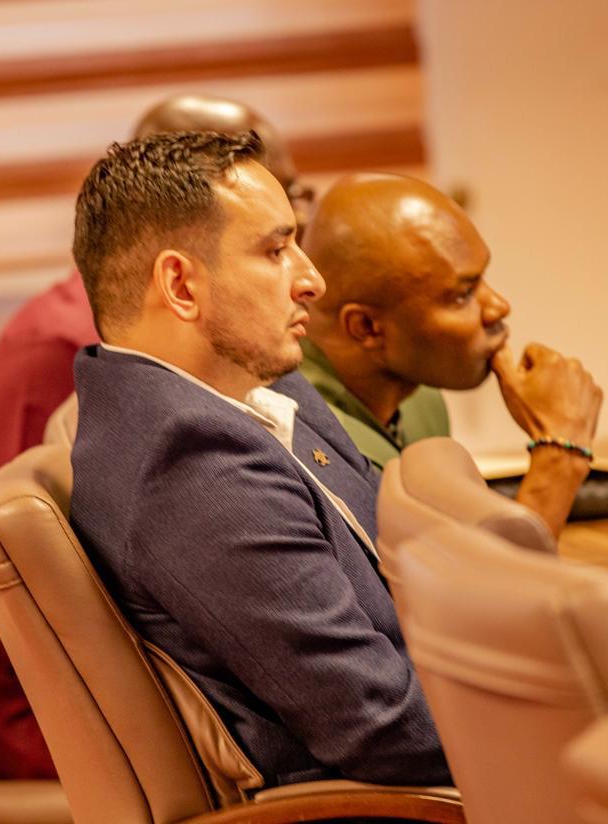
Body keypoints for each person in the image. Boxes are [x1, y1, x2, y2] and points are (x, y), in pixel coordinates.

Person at [68, 130, 451, 789]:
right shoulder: (193, 465)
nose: (312, 281)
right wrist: (569, 720)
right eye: (276, 250)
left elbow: (396, 539)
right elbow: (383, 726)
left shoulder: (254, 383)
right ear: (181, 285)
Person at [0, 94, 312, 780]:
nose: (304, 248)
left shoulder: (220, 334)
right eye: (275, 231)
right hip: (80, 709)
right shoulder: (66, 347)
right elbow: (35, 564)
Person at [300, 173, 603, 536]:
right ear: (366, 327)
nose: (499, 306)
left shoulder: (420, 400)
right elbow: (477, 576)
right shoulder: (305, 437)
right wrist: (559, 456)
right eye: (463, 295)